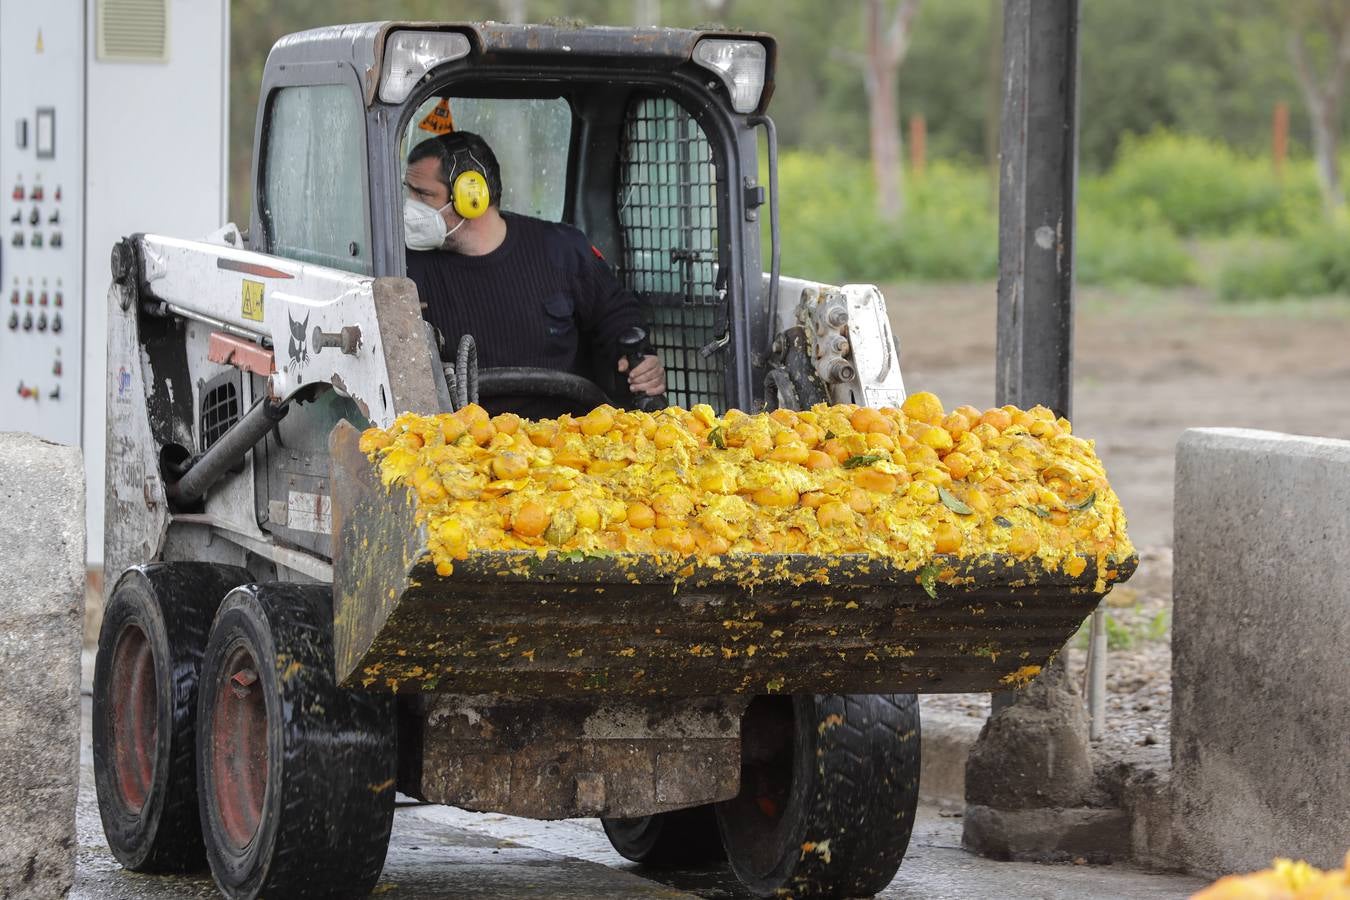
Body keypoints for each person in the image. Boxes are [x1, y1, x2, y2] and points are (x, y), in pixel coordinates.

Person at [403, 130, 665, 419]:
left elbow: (616, 311)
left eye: (423, 195)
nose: (409, 207)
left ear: (471, 197)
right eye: (409, 191)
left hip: (567, 443)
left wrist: (642, 363)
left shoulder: (561, 249)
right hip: (465, 448)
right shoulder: (408, 269)